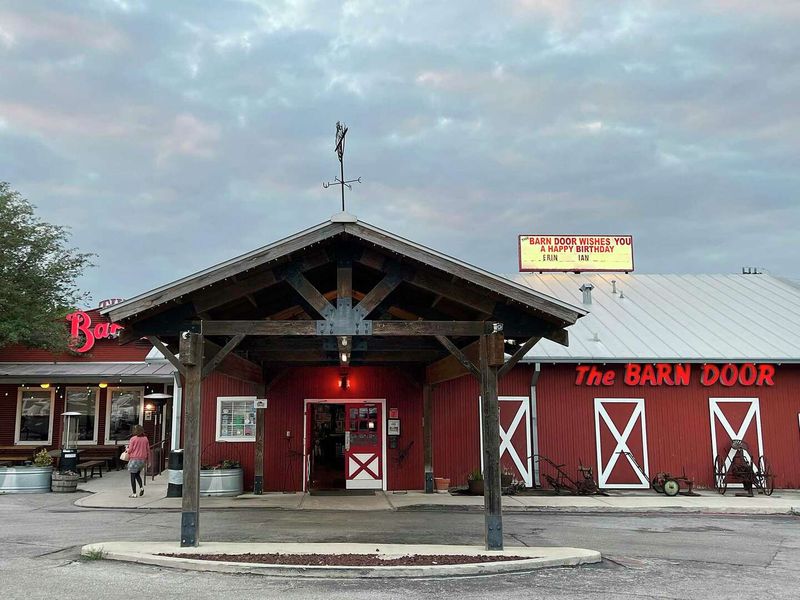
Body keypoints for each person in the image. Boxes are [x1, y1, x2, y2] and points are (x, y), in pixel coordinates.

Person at [126, 425, 150, 498]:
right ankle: (141, 487)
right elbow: (148, 450)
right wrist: (148, 460)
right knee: (137, 475)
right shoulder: (145, 439)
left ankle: (134, 493)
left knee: (132, 476)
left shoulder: (133, 439)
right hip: (142, 460)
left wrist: (127, 450)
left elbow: (130, 450)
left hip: (134, 459)